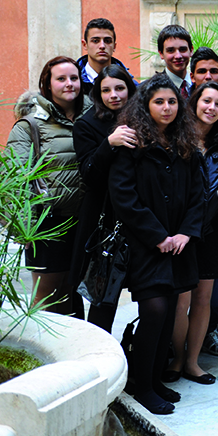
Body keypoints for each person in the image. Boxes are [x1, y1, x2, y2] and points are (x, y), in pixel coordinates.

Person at [109, 73, 203, 415]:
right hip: (146, 245)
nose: (166, 108)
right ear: (146, 106)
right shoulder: (133, 145)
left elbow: (198, 195)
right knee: (154, 310)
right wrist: (158, 236)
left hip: (179, 245)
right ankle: (141, 385)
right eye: (159, 101)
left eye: (172, 101)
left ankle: (154, 378)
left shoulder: (186, 145)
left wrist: (183, 234)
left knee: (170, 313)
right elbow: (124, 197)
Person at [164, 81, 218, 386]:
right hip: (182, 229)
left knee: (204, 299)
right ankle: (176, 358)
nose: (211, 108)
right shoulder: (177, 138)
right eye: (206, 101)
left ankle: (192, 362)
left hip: (211, 230)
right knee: (181, 300)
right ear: (195, 103)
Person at [7, 56, 86, 316]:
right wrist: (26, 228)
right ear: (47, 84)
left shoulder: (91, 118)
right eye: (61, 79)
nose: (69, 84)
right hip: (47, 222)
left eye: (73, 78)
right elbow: (18, 180)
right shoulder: (29, 126)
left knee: (72, 292)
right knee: (48, 295)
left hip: (83, 221)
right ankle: (46, 354)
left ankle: (76, 352)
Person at [71, 64, 137, 332]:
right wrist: (109, 143)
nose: (114, 95)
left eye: (120, 88)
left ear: (129, 90)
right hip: (105, 217)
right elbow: (89, 175)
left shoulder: (143, 119)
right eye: (106, 90)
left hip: (141, 215)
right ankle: (98, 353)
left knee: (149, 291)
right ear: (97, 93)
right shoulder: (86, 124)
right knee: (104, 296)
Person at [78, 18, 134, 95]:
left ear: (114, 46)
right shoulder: (74, 83)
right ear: (85, 44)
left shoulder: (129, 84)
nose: (102, 46)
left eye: (107, 41)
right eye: (95, 41)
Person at [157, 24, 193, 97]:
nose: (178, 56)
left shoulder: (201, 86)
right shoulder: (150, 90)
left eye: (183, 49)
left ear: (191, 51)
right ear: (161, 54)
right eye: (171, 50)